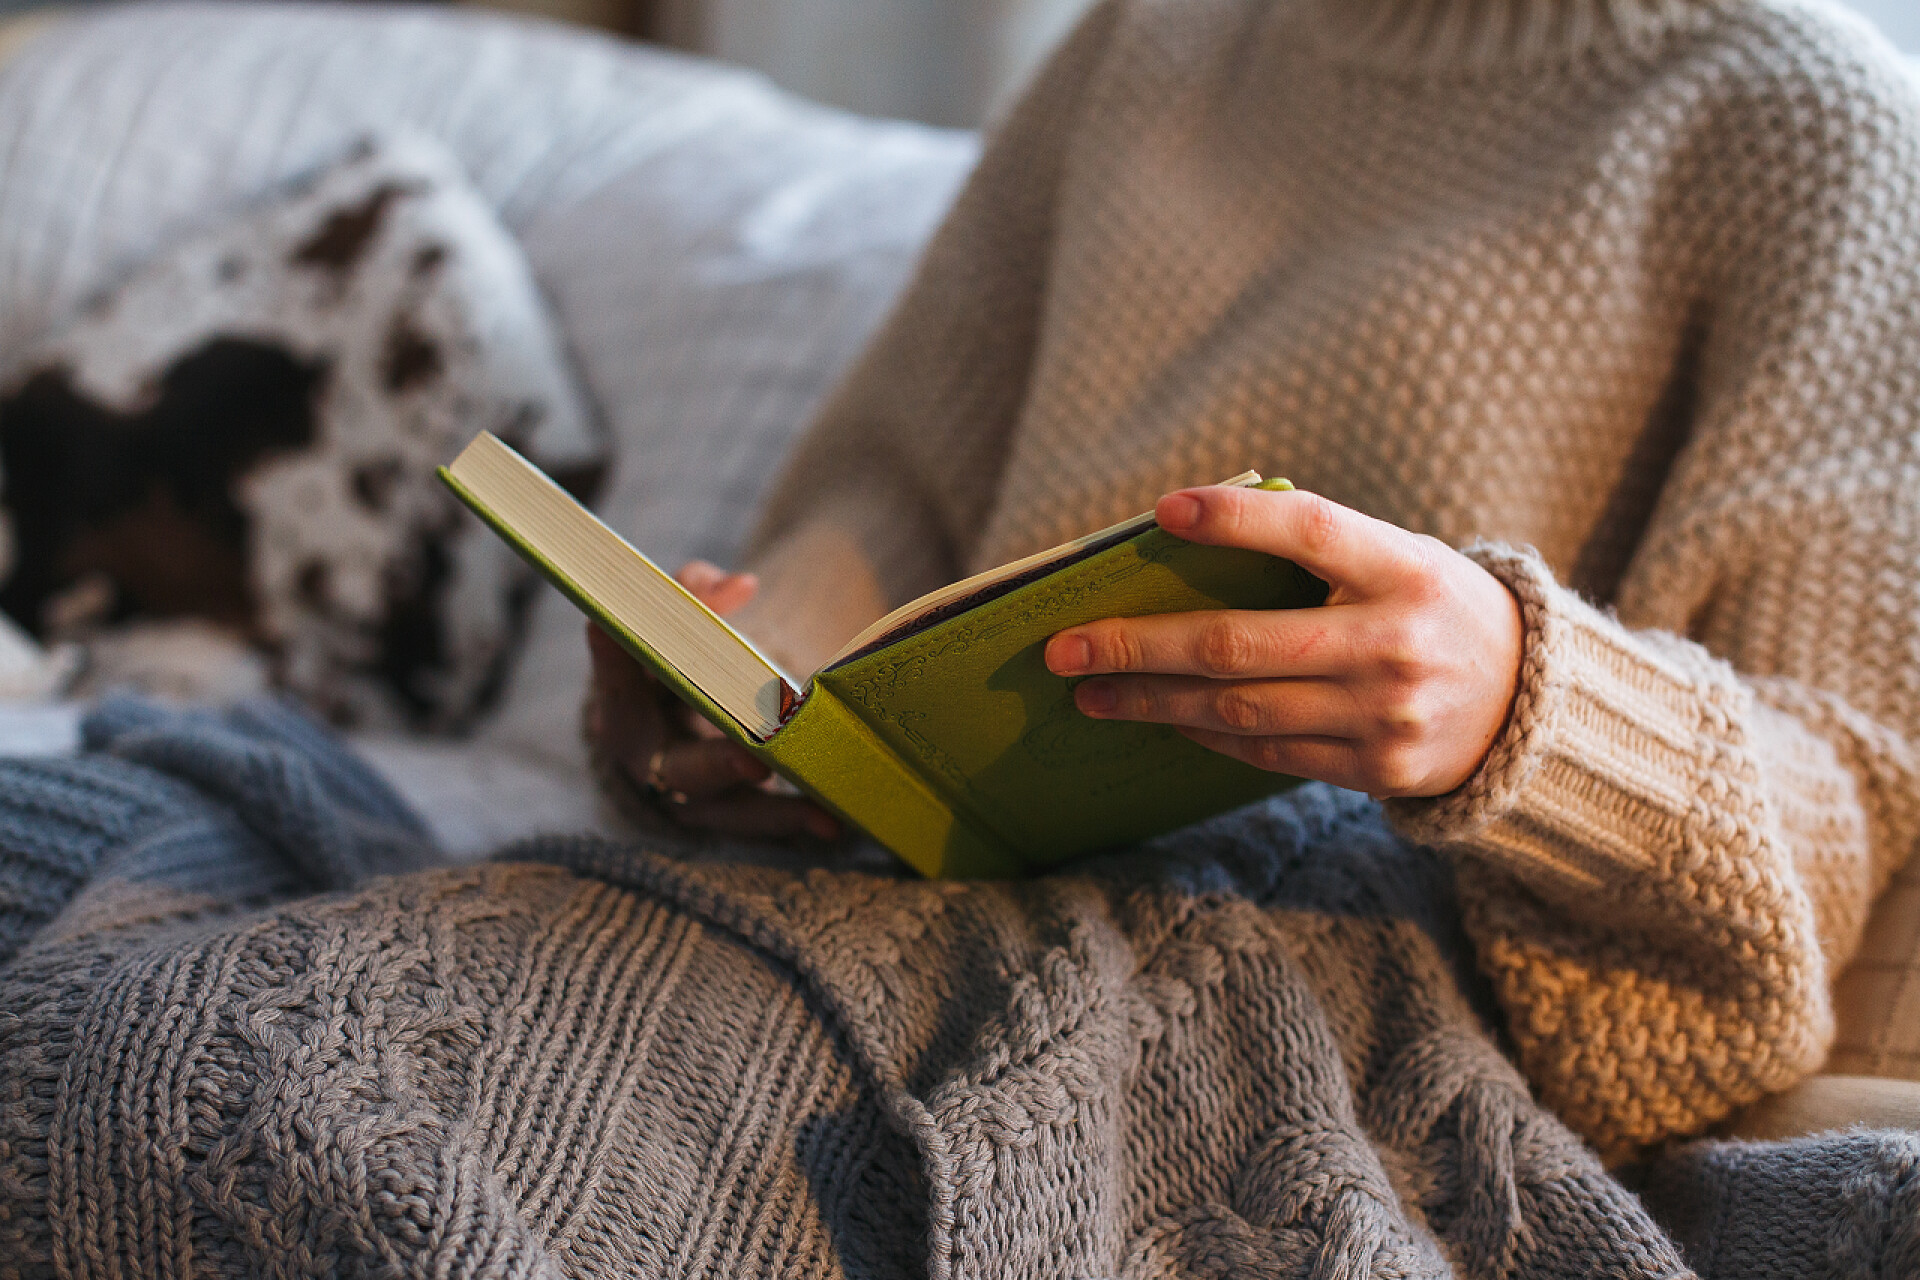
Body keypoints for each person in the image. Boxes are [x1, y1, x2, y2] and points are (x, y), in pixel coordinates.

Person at [6, 1, 1920, 1276]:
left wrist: (1523, 701)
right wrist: (739, 697)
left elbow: (1841, 807)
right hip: (907, 878)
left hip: (1328, 950)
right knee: (105, 1001)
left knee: (212, 1097)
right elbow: (882, 516)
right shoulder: (1155, 45)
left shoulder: (1806, 129)